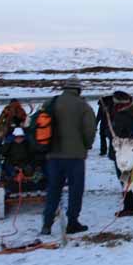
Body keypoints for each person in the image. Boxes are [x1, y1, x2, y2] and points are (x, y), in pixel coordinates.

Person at [41, 76, 96, 235]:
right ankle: (72, 222)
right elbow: (89, 130)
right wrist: (86, 146)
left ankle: (47, 223)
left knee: (53, 189)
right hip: (75, 156)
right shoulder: (83, 106)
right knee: (75, 189)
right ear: (79, 89)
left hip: (53, 155)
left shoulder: (50, 102)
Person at [110, 91, 133, 217]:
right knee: (129, 178)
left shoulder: (122, 115)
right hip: (129, 153)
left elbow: (116, 134)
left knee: (125, 179)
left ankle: (130, 207)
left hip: (123, 154)